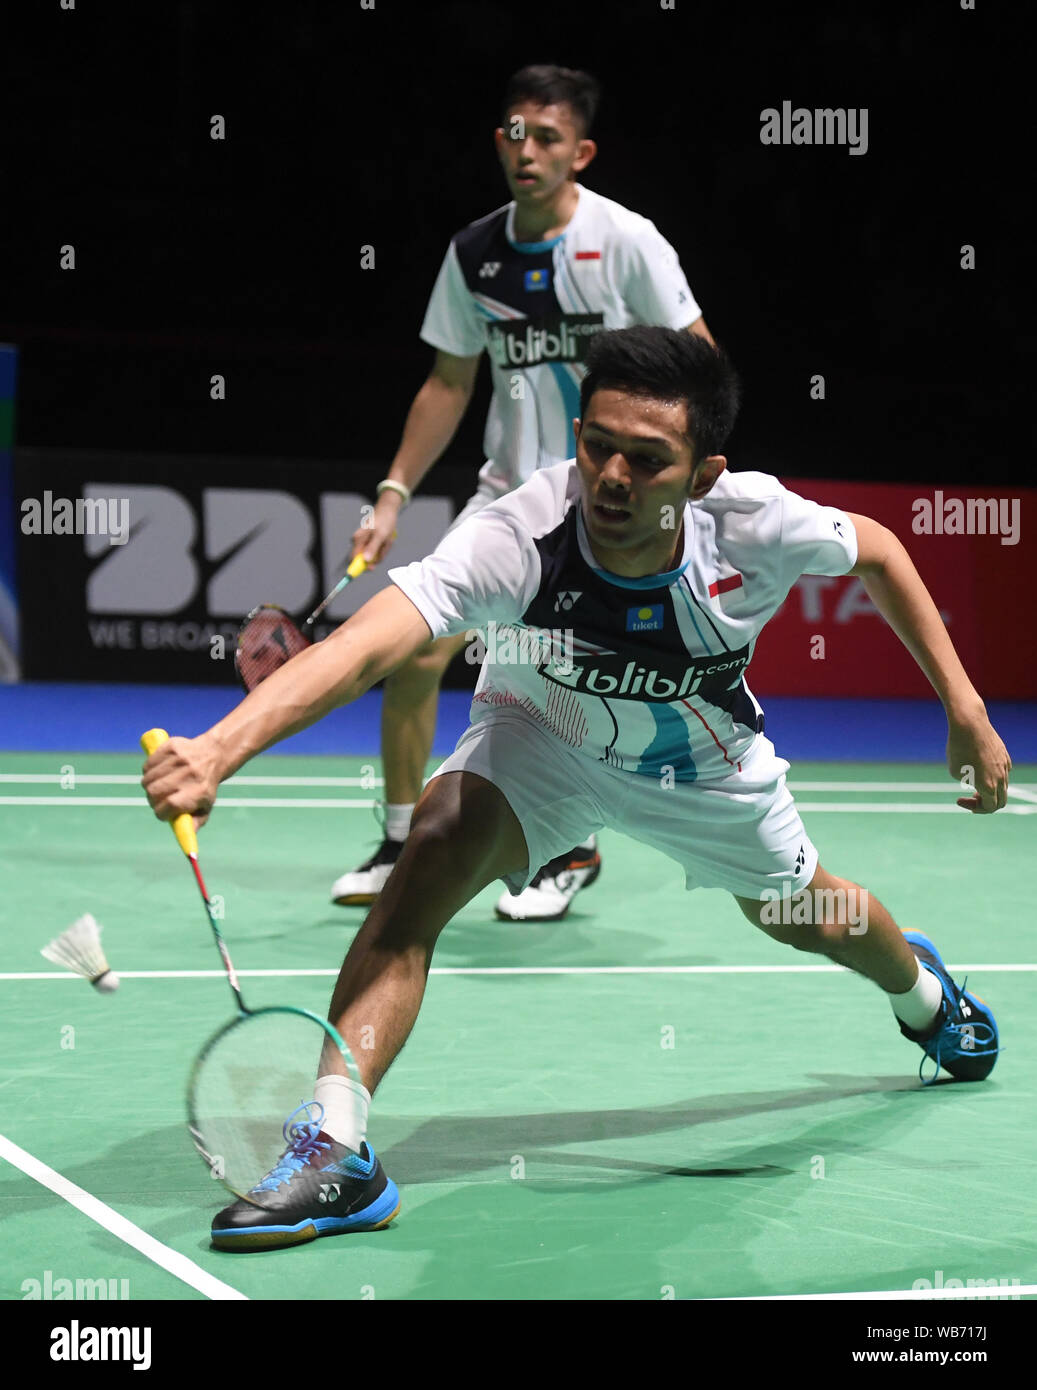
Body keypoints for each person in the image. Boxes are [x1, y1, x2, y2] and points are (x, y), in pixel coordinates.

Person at [143, 328, 1007, 1252]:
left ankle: (923, 996)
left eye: (647, 458)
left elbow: (875, 550)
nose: (612, 477)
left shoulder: (755, 524)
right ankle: (336, 1152)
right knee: (429, 855)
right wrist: (219, 751)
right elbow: (368, 646)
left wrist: (962, 706)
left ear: (702, 476)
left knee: (810, 917)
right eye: (597, 445)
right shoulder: (522, 533)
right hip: (541, 734)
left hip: (701, 765)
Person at [333, 63, 713, 922]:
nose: (525, 149)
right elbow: (446, 382)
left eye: (546, 137)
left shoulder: (626, 243)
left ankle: (571, 851)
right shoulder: (474, 254)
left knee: (562, 674)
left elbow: (700, 360)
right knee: (418, 650)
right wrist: (393, 491)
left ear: (580, 152)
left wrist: (688, 481)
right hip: (510, 496)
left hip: (605, 503)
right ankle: (401, 838)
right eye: (513, 132)